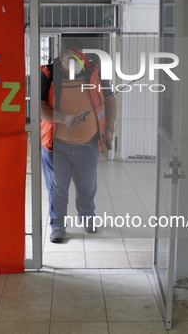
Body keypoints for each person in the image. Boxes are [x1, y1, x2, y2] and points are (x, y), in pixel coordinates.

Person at [40, 38, 116, 243]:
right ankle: (57, 226)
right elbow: (38, 108)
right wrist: (64, 119)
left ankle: (88, 219)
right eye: (72, 58)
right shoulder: (47, 73)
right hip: (56, 145)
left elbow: (110, 100)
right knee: (57, 188)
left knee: (87, 186)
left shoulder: (94, 72)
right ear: (61, 56)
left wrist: (109, 130)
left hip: (88, 144)